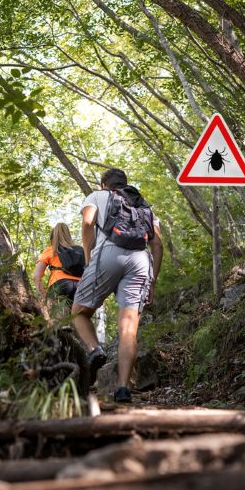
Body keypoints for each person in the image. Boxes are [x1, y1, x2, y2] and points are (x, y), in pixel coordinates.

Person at [72, 168, 163, 404]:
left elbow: (87, 223)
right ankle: (123, 388)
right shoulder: (143, 205)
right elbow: (158, 245)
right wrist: (152, 281)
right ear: (125, 183)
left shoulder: (97, 196)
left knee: (79, 312)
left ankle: (95, 349)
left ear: (104, 184)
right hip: (141, 261)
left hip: (107, 255)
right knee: (128, 329)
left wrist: (88, 256)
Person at [34, 222, 84, 305]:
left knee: (59, 317)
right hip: (81, 286)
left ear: (53, 238)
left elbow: (37, 276)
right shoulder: (80, 250)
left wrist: (44, 295)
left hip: (60, 285)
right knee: (78, 316)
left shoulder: (51, 250)